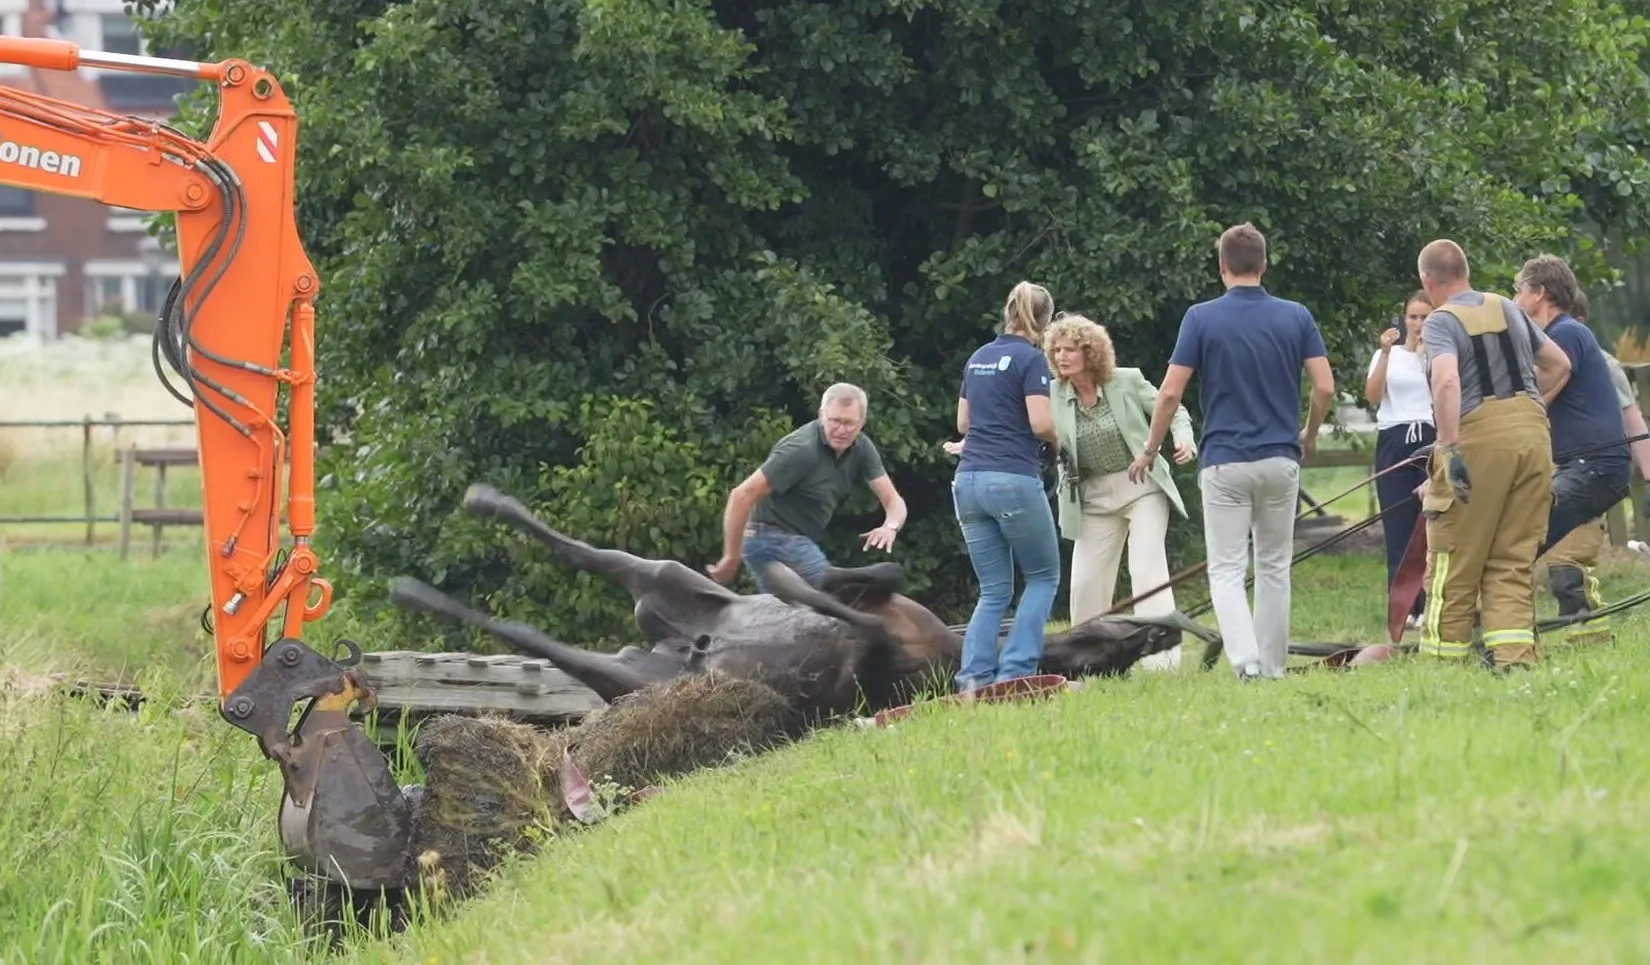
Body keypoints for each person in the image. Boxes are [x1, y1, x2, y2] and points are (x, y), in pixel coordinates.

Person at [1127, 223, 1335, 681]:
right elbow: (1324, 386)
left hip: (1225, 458)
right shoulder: (1296, 316)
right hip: (1281, 458)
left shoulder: (1201, 318)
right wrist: (1310, 432)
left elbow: (1168, 394)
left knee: (1225, 568)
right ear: (1264, 264)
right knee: (1275, 566)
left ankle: (1246, 663)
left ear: (1221, 267)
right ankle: (1275, 666)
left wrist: (1150, 448)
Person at [1412, 240, 1570, 670]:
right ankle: (1514, 658)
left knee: (1455, 556)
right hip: (1534, 437)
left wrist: (1447, 445)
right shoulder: (1508, 307)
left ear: (1428, 281)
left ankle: (1444, 665)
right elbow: (1558, 364)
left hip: (1477, 441)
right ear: (1465, 269)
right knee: (1514, 557)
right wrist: (1530, 405)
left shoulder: (1441, 322)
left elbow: (1446, 383)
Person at [1042, 312, 1198, 670]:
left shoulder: (1126, 380)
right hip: (1093, 496)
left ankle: (1163, 665)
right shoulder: (1053, 393)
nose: (1062, 356)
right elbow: (1027, 427)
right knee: (1085, 586)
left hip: (1140, 485)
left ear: (1091, 353)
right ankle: (1086, 663)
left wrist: (1183, 439)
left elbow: (1173, 409)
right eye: (1058, 350)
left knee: (1146, 569)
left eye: (1071, 349)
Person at [948, 280, 1062, 692]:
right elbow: (1040, 423)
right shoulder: (1032, 360)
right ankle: (1015, 672)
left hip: (967, 481)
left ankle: (974, 678)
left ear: (1008, 312)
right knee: (1044, 576)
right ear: (1044, 320)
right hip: (1011, 478)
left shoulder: (979, 357)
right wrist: (1061, 440)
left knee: (994, 589)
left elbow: (964, 423)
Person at [707, 382, 907, 594]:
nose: (841, 430)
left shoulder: (862, 448)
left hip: (801, 540)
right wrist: (731, 557)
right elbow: (741, 495)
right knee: (835, 593)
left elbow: (893, 500)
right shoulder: (802, 449)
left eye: (849, 423)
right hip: (768, 537)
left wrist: (890, 527)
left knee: (801, 611)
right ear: (821, 415)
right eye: (834, 421)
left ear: (862, 423)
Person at [1541, 289, 1650, 645]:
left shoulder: (1601, 365)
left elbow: (1634, 424)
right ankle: (1577, 632)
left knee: (1567, 563)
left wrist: (1649, 480)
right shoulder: (1546, 363)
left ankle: (1590, 632)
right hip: (1561, 469)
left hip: (1591, 471)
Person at [1512, 254, 1633, 557]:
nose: (1515, 299)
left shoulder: (1565, 333)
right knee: (1523, 537)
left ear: (1540, 293)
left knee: (1521, 538)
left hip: (1593, 466)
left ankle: (1498, 605)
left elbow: (1533, 397)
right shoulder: (1559, 335)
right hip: (1584, 466)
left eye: (1519, 289)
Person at [1364, 290, 1437, 629]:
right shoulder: (1390, 355)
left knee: (1432, 523)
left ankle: (1431, 603)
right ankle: (1404, 606)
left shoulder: (1440, 355)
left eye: (1425, 317)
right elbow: (1373, 395)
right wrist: (1384, 352)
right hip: (1395, 436)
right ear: (1404, 319)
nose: (1419, 324)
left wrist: (1427, 356)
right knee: (1399, 525)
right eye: (1414, 317)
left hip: (1430, 436)